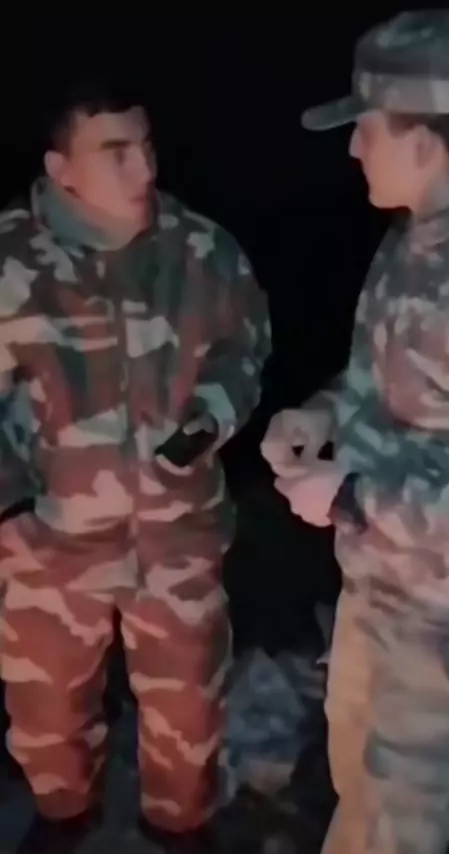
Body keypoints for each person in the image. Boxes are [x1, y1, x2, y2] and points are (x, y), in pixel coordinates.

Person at [0, 73, 271, 853]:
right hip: (49, 541)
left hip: (178, 530)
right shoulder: (11, 261)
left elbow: (246, 346)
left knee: (189, 706)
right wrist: (10, 505)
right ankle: (66, 816)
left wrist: (214, 412)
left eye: (146, 145)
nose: (144, 168)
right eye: (115, 151)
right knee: (47, 710)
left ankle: (177, 827)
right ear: (61, 169)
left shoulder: (202, 249)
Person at [261, 9, 449, 854]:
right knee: (356, 791)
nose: (353, 148)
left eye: (368, 128)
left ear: (423, 142)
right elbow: (382, 386)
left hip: (445, 624)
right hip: (375, 589)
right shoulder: (412, 242)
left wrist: (353, 493)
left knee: (391, 834)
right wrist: (322, 414)